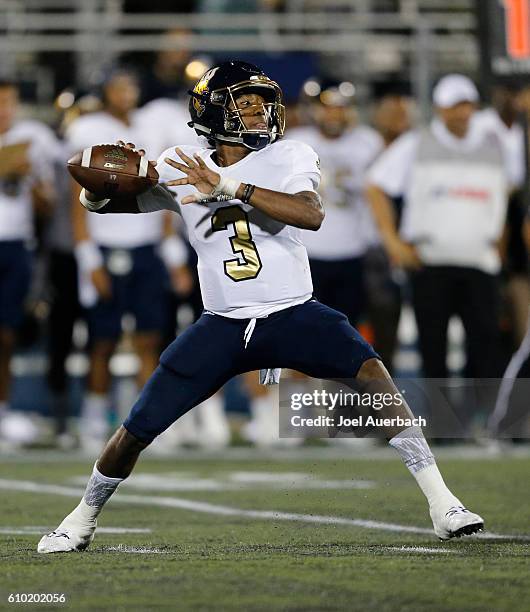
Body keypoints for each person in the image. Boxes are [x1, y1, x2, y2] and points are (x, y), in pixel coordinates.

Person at [38, 61, 483, 553]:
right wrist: (101, 188)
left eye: (263, 103)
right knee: (139, 425)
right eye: (245, 104)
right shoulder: (180, 161)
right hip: (223, 324)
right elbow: (107, 203)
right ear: (213, 110)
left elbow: (310, 213)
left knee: (375, 378)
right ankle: (81, 519)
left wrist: (228, 186)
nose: (261, 113)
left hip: (292, 312)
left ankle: (443, 503)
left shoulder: (289, 154)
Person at [67, 68, 188, 452]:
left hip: (146, 246)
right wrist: (88, 258)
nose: (127, 94)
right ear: (106, 93)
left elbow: (163, 193)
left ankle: (148, 423)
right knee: (101, 341)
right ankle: (91, 421)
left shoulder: (152, 125)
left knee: (150, 339)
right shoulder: (88, 129)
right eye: (120, 87)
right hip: (105, 246)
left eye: (131, 86)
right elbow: (78, 199)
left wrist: (171, 251)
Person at [366, 74, 508, 382]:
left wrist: (499, 241)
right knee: (433, 348)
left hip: (480, 262)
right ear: (440, 109)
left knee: (485, 346)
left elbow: (504, 194)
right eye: (454, 106)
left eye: (466, 105)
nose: (461, 113)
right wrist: (392, 242)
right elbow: (376, 185)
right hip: (429, 262)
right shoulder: (416, 143)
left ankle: (480, 422)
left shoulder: (493, 144)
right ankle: (444, 426)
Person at [0, 79, 55, 443]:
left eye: (10, 102)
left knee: (5, 335)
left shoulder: (30, 141)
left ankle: (2, 410)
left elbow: (48, 208)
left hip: (15, 246)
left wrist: (30, 177)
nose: (5, 109)